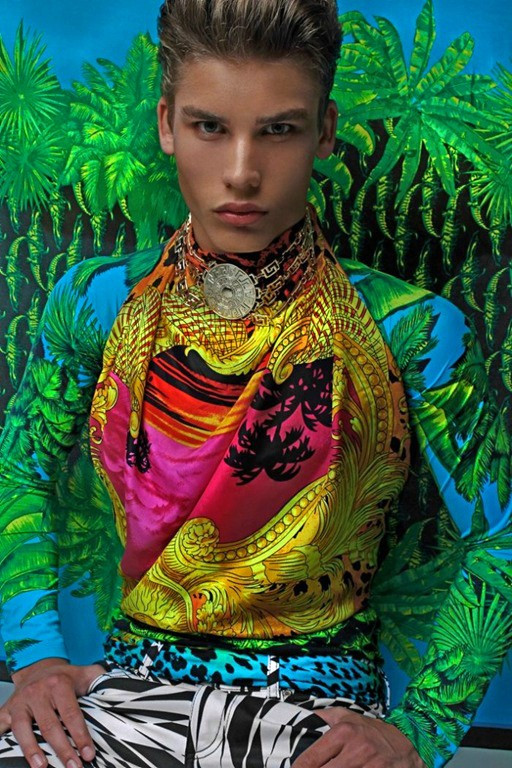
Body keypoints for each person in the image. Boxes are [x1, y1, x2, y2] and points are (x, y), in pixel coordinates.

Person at [0, 1, 510, 767]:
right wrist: (35, 657)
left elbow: (500, 534)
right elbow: (21, 467)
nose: (241, 171)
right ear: (167, 124)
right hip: (126, 692)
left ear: (324, 131)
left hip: (320, 715)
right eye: (210, 127)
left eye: (278, 129)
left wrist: (420, 729)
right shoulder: (97, 301)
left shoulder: (410, 328)